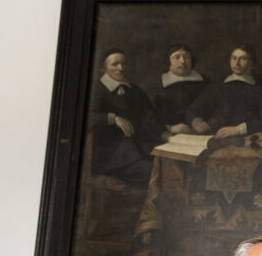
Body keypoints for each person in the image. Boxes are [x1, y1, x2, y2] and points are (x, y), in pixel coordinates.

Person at [86, 48, 165, 186]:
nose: (120, 68)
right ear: (103, 68)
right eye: (115, 64)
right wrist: (113, 118)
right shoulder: (95, 90)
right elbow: (87, 118)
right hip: (112, 157)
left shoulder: (135, 91)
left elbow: (150, 117)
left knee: (168, 166)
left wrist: (165, 134)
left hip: (139, 149)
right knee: (153, 172)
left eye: (123, 64)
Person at [186, 43, 262, 138]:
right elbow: (194, 109)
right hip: (215, 137)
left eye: (243, 59)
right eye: (234, 58)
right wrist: (198, 122)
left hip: (247, 139)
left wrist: (239, 129)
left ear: (253, 64)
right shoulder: (217, 85)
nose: (237, 63)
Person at [152, 43, 208, 135]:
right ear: (168, 61)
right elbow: (150, 117)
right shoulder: (158, 84)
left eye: (187, 57)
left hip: (202, 133)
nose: (183, 61)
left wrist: (205, 123)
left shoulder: (205, 82)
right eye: (177, 57)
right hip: (170, 134)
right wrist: (169, 127)